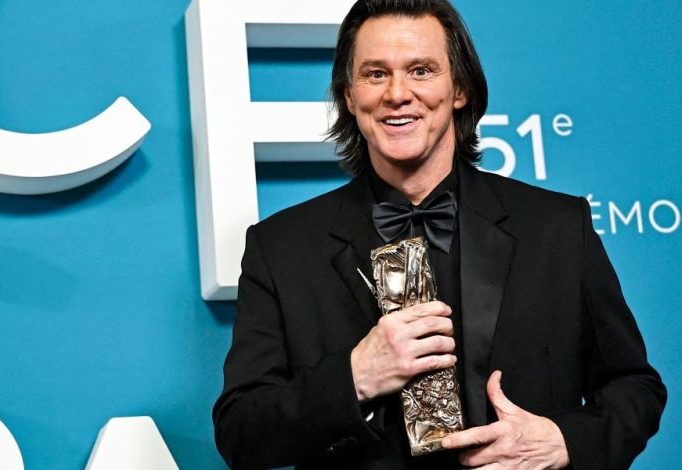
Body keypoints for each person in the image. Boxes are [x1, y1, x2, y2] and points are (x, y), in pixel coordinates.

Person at [213, 0, 666, 468]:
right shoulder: (281, 248)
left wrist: (560, 440)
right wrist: (356, 377)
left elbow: (635, 387)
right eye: (375, 74)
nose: (397, 94)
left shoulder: (557, 228)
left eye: (421, 70)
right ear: (349, 96)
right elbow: (241, 433)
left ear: (460, 89)